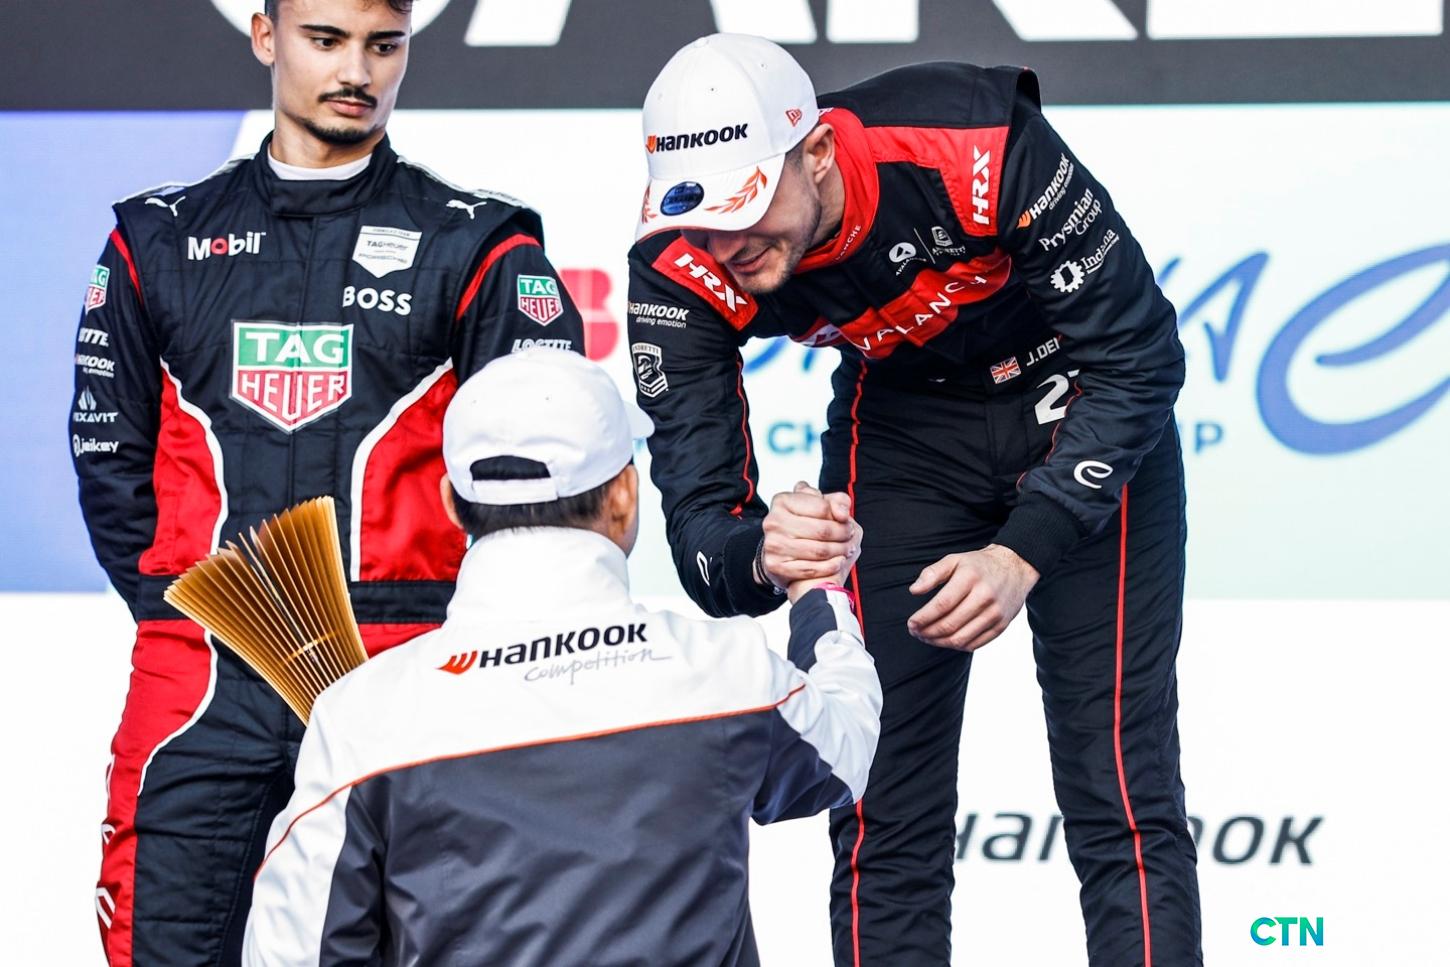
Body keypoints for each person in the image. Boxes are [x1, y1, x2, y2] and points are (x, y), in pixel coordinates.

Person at [626, 33, 1201, 967]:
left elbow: (1140, 357)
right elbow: (703, 538)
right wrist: (764, 550)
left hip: (1076, 395)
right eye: (703, 218)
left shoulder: (973, 140)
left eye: (749, 206)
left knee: (1122, 792)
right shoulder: (677, 259)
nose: (726, 245)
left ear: (817, 152)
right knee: (881, 802)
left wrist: (1025, 547)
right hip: (904, 428)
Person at [70, 2, 585, 963]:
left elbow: (553, 480)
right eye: (327, 40)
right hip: (206, 666)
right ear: (266, 37)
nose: (358, 71)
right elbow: (111, 466)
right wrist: (184, 604)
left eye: (384, 46)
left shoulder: (479, 245)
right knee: (160, 940)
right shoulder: (156, 239)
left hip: (407, 659)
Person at [239, 348, 882, 965]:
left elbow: (292, 953)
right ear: (625, 494)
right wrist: (816, 589)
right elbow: (845, 750)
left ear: (451, 503)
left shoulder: (363, 717)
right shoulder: (724, 672)